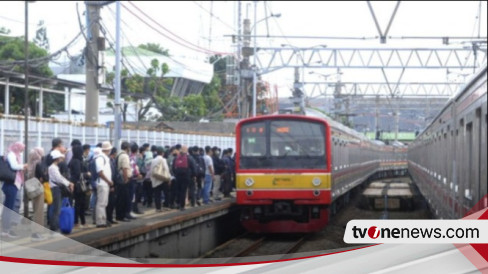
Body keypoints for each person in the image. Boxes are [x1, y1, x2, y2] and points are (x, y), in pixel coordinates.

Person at [1, 142, 28, 239]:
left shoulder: (14, 154)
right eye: (21, 149)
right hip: (10, 184)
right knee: (9, 208)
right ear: (17, 148)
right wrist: (23, 166)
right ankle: (6, 230)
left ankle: (6, 229)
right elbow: (13, 166)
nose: (21, 151)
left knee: (8, 207)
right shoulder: (12, 154)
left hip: (11, 184)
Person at [48, 150, 74, 234]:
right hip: (55, 189)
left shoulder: (54, 167)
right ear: (57, 158)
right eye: (60, 157)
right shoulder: (53, 167)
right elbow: (59, 178)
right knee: (57, 209)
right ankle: (54, 228)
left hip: (55, 188)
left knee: (56, 208)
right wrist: (68, 183)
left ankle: (55, 226)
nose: (61, 158)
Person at [26, 147, 47, 241]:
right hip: (38, 189)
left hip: (32, 189)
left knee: (35, 210)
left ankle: (35, 232)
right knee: (39, 211)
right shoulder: (39, 164)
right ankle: (36, 233)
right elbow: (44, 177)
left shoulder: (30, 164)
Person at [68, 144, 90, 229]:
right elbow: (78, 174)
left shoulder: (72, 160)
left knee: (79, 203)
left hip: (76, 185)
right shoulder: (77, 161)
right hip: (79, 186)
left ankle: (80, 222)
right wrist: (86, 174)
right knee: (79, 204)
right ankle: (78, 222)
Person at [172, 146, 197, 211]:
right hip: (186, 176)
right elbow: (193, 167)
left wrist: (176, 174)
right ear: (187, 150)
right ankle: (182, 206)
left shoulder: (176, 158)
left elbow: (173, 168)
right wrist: (193, 175)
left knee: (178, 190)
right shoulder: (189, 158)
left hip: (178, 176)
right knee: (183, 190)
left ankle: (178, 203)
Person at [95, 142, 113, 228]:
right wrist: (108, 181)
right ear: (108, 149)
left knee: (104, 203)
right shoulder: (100, 158)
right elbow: (100, 172)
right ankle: (100, 221)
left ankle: (103, 219)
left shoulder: (104, 157)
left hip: (105, 183)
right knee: (101, 203)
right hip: (102, 183)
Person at [150, 146, 170, 212]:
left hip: (156, 180)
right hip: (163, 179)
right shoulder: (163, 160)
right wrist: (169, 178)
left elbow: (151, 171)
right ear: (162, 153)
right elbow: (166, 169)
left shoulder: (153, 160)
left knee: (157, 195)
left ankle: (158, 208)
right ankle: (166, 206)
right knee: (166, 193)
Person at [116, 141, 131, 222]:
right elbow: (125, 168)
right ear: (127, 148)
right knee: (124, 198)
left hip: (119, 179)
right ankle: (122, 215)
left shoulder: (119, 154)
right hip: (123, 179)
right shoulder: (124, 156)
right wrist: (126, 179)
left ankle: (121, 215)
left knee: (120, 198)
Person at [106, 147, 118, 225]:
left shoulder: (113, 160)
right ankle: (108, 218)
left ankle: (110, 218)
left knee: (112, 202)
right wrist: (111, 186)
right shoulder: (109, 161)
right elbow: (110, 173)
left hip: (114, 183)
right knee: (109, 203)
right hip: (110, 184)